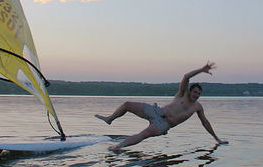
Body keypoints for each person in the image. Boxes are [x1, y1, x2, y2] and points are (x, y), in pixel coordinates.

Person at [95, 61, 228, 151]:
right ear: (190, 91)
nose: (196, 95)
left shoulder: (197, 107)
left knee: (143, 134)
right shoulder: (182, 94)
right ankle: (110, 119)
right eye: (195, 92)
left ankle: (118, 147)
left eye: (199, 93)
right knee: (127, 104)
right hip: (156, 111)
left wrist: (217, 139)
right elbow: (186, 77)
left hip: (164, 124)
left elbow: (205, 123)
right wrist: (202, 69)